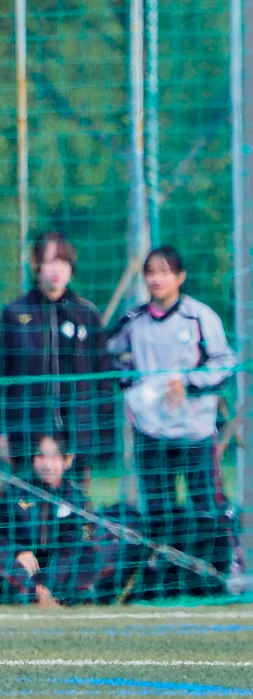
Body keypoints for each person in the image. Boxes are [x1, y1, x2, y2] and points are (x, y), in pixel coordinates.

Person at [108, 246, 236, 594]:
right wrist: (131, 382)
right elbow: (106, 354)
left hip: (195, 433)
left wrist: (188, 381)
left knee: (206, 509)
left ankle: (214, 577)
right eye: (151, 272)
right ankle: (165, 582)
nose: (157, 279)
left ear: (180, 277)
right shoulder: (134, 320)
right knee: (159, 512)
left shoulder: (200, 316)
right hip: (151, 433)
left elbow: (223, 363)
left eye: (164, 272)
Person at [0, 230, 108, 481]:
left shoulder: (87, 314)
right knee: (25, 502)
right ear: (36, 264)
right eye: (50, 261)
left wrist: (102, 434)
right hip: (25, 436)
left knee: (73, 503)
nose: (56, 269)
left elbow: (104, 380)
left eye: (62, 261)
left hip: (76, 437)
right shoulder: (14, 313)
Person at [0, 433, 93, 607]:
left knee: (88, 560)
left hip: (54, 572)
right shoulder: (8, 493)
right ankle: (30, 595)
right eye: (41, 456)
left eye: (54, 457)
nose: (47, 465)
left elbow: (76, 545)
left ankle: (50, 594)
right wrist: (18, 551)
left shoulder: (77, 499)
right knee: (5, 565)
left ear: (67, 460)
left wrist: (47, 582)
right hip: (17, 566)